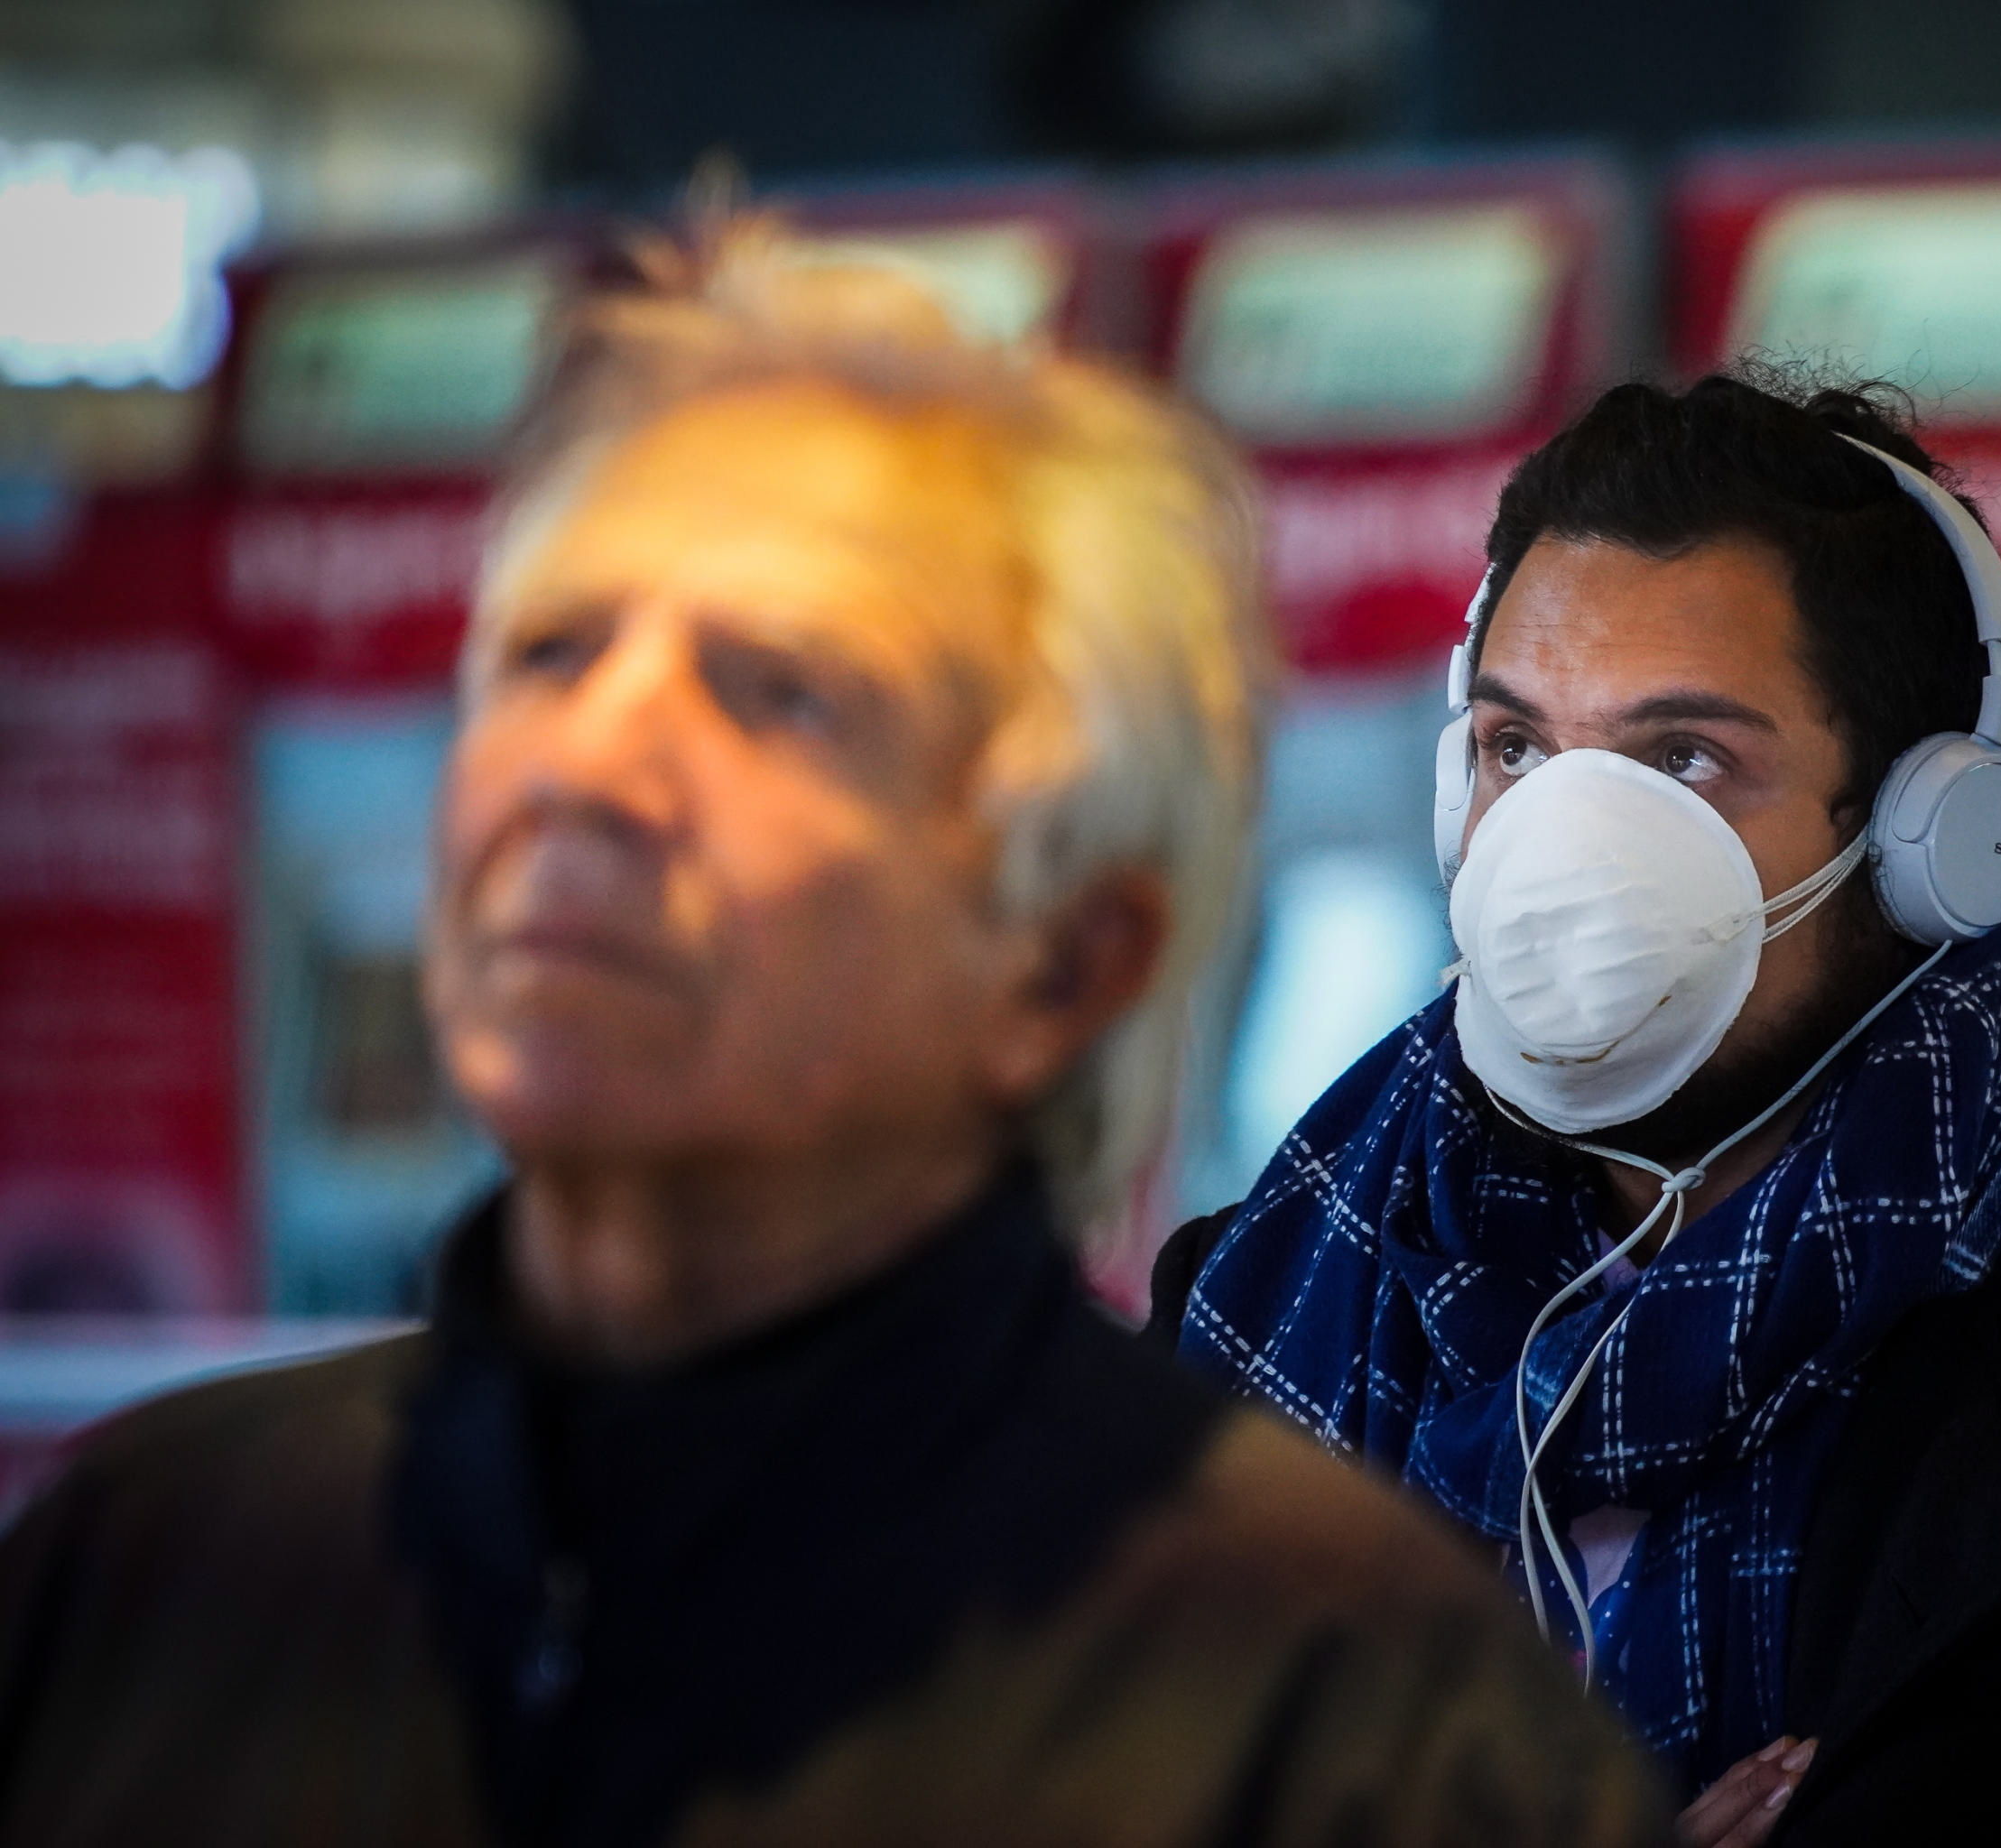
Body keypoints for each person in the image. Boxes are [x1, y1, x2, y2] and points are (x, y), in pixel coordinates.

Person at [0, 212, 1666, 1848]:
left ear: (1065, 963)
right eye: (546, 653)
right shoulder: (146, 1575)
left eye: (778, 692)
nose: (585, 766)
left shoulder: (1354, 1718)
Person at [1152, 372, 2001, 1844]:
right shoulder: (1256, 1295)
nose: (1566, 850)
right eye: (1517, 748)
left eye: (1687, 761)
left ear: (1930, 843)